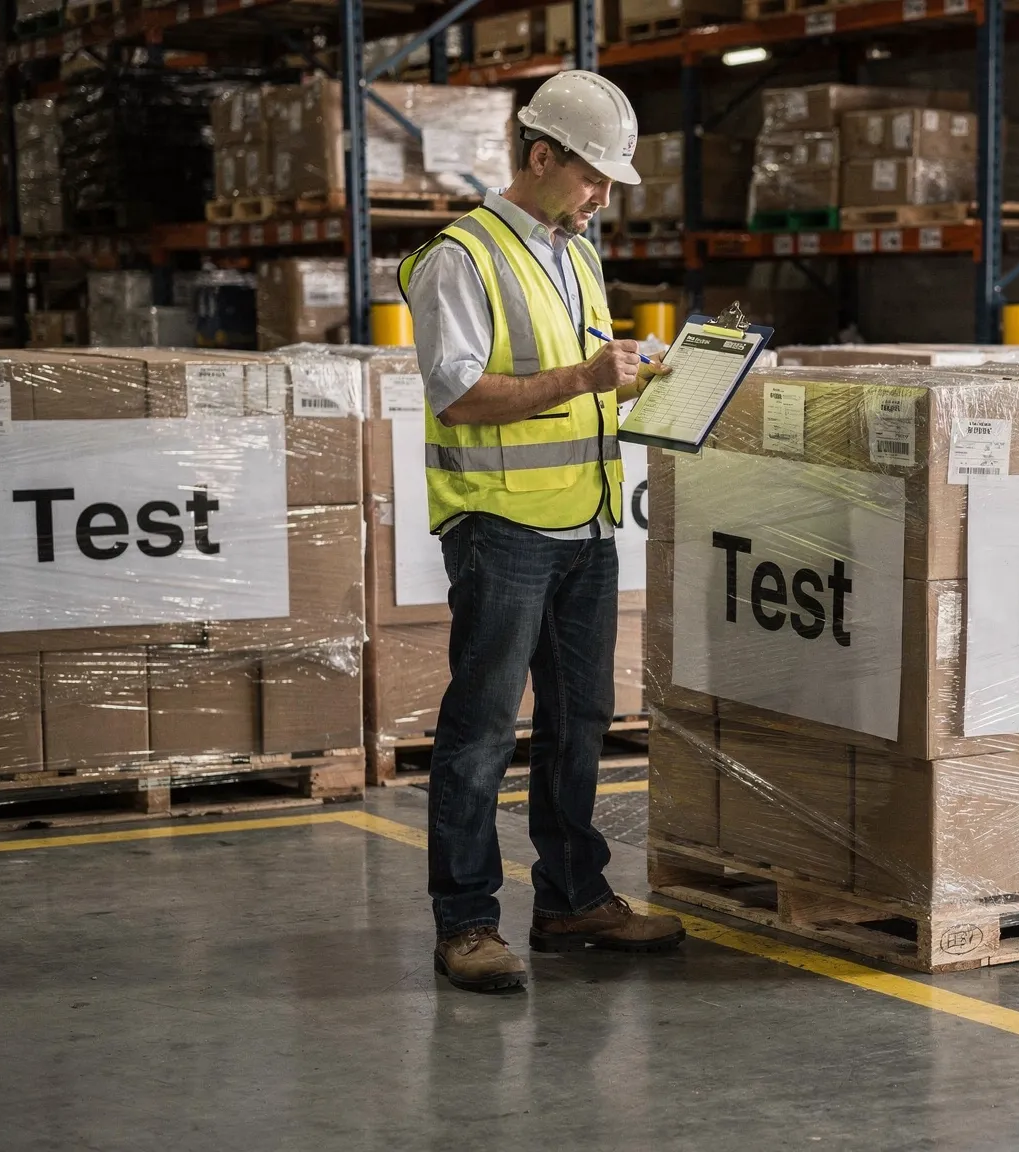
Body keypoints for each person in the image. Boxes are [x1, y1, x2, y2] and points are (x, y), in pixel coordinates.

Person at [398, 70, 684, 994]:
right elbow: (459, 393)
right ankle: (467, 922)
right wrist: (588, 378)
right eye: (593, 174)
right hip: (503, 528)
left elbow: (583, 375)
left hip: (586, 522)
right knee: (482, 730)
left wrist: (642, 378)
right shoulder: (461, 256)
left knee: (580, 723)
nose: (603, 195)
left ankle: (571, 899)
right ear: (540, 154)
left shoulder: (576, 253)